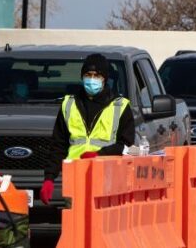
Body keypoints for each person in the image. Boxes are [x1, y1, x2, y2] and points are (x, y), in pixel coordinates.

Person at [40, 53, 135, 205]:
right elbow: (58, 146)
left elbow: (126, 146)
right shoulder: (69, 105)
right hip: (75, 180)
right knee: (75, 225)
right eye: (88, 75)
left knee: (102, 226)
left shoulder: (120, 106)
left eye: (96, 75)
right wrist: (49, 178)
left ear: (105, 78)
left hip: (108, 181)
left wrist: (99, 154)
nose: (91, 79)